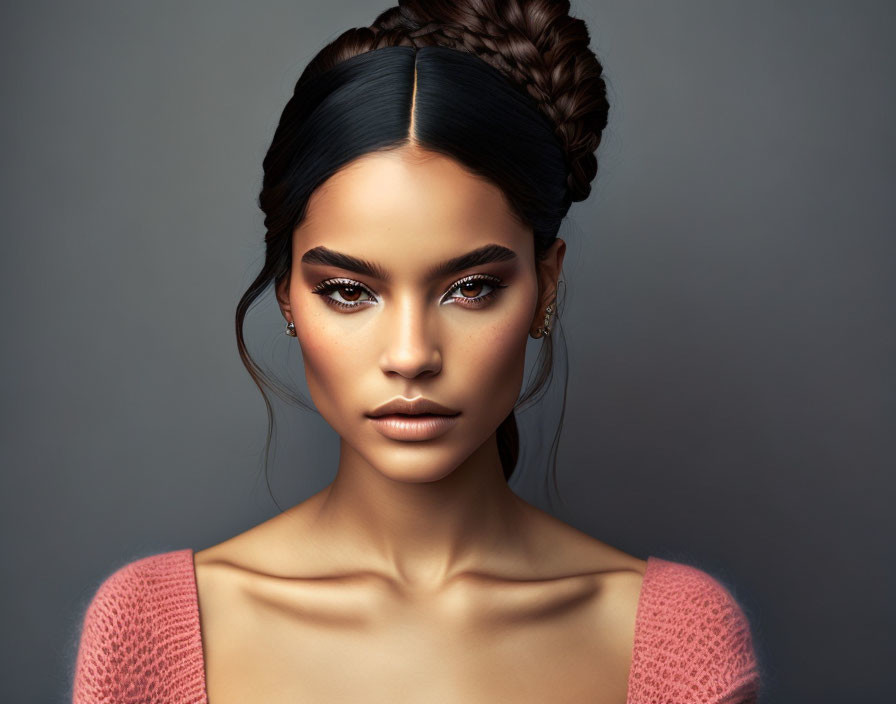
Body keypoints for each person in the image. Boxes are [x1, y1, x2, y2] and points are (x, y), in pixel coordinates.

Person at [71, 1, 760, 702]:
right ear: (287, 297)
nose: (410, 355)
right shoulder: (150, 630)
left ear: (545, 285)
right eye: (348, 290)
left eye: (470, 288)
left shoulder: (673, 639)